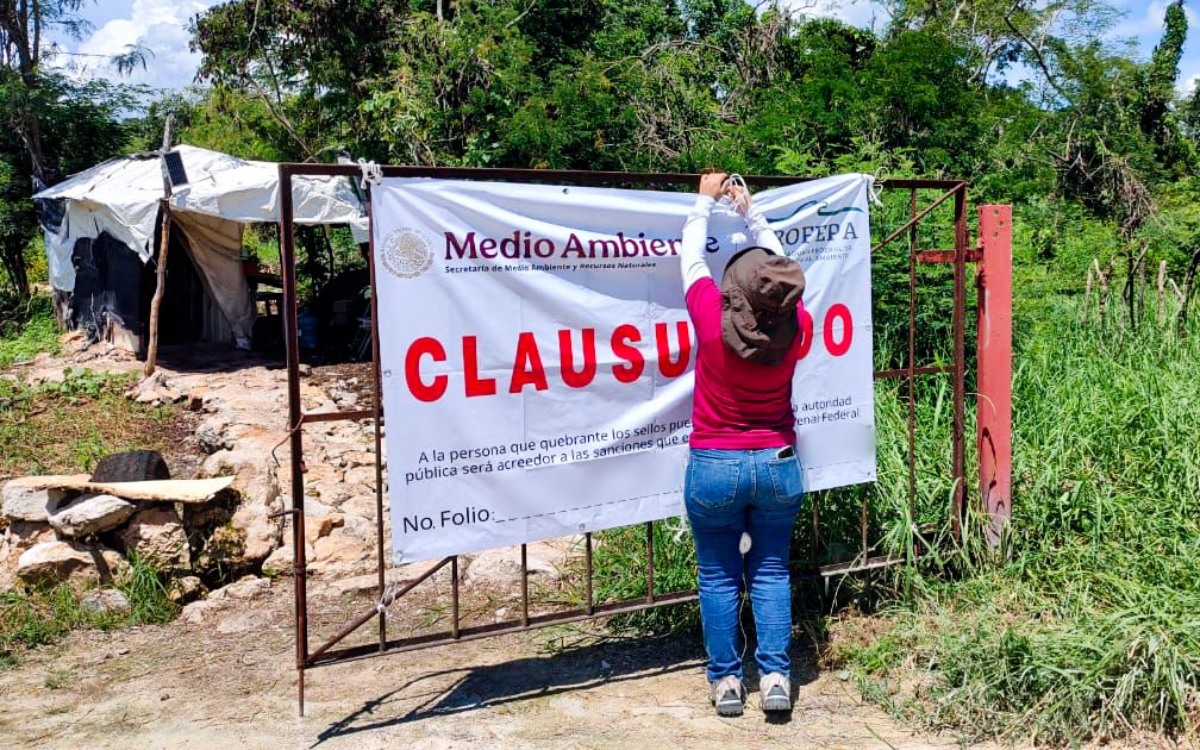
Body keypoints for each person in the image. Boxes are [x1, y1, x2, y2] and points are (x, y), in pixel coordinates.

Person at [679, 171, 807, 717]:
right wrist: (755, 217)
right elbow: (785, 281)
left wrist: (703, 204)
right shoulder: (794, 327)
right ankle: (776, 677)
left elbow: (689, 263)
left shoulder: (713, 322)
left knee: (717, 575)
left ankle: (727, 684)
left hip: (714, 465)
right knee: (772, 570)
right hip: (778, 465)